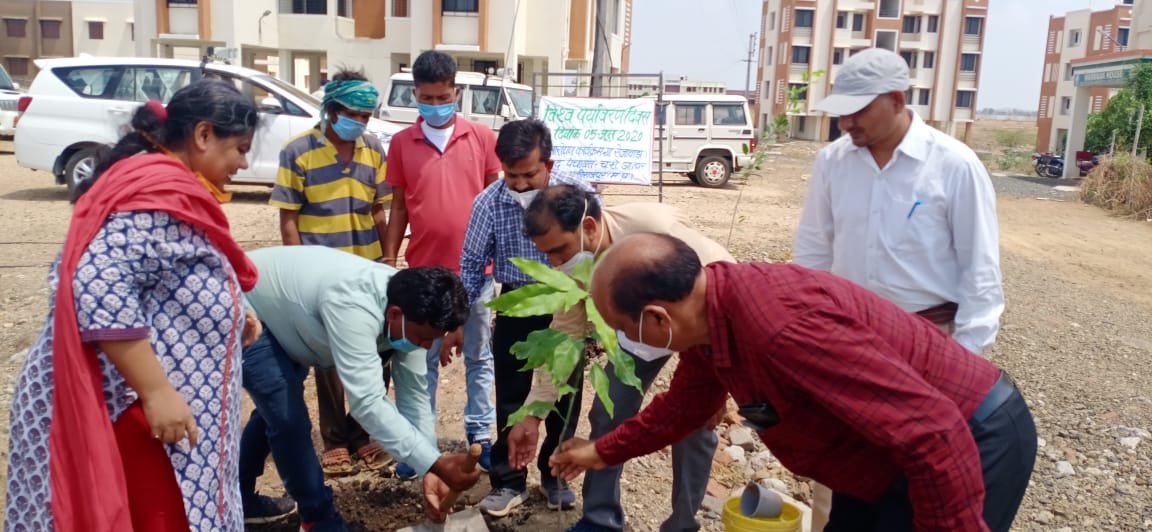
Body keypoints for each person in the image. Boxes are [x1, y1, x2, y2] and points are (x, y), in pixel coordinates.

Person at [551, 233, 1038, 532]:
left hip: (969, 439)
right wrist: (601, 451)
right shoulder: (710, 319)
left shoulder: (780, 330)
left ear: (659, 318)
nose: (619, 338)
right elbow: (685, 407)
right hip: (881, 456)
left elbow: (934, 433)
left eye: (620, 327)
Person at [4, 80, 262, 531]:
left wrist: (235, 311)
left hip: (149, 415)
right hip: (128, 414)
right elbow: (96, 284)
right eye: (239, 148)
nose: (243, 163)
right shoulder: (154, 195)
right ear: (203, 136)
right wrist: (157, 392)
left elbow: (168, 270)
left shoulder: (165, 189)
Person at [794, 47, 1006, 530]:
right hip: (849, 344)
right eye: (840, 112)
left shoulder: (954, 165)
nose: (846, 123)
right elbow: (812, 255)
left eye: (857, 110)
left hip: (929, 347)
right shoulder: (833, 163)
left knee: (922, 469)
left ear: (896, 98)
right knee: (846, 467)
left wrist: (965, 359)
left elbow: (981, 272)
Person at [506, 185, 731, 532]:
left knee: (695, 422)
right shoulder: (571, 265)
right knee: (608, 412)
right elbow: (566, 334)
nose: (555, 262)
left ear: (590, 228)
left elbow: (720, 284)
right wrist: (534, 413)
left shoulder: (653, 226)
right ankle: (600, 518)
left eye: (559, 250)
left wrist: (722, 377)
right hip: (637, 332)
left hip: (696, 322)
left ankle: (682, 524)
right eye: (546, 255)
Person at [237, 245, 482, 529]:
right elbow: (366, 402)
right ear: (393, 314)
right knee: (287, 416)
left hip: (290, 319)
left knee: (276, 410)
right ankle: (318, 518)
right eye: (424, 338)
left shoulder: (414, 313)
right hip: (250, 307)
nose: (427, 346)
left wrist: (429, 467)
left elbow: (414, 395)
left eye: (434, 340)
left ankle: (239, 495)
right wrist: (435, 462)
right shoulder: (352, 305)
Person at [460, 120, 590, 516]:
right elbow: (471, 262)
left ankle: (555, 474)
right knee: (513, 394)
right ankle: (508, 480)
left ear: (548, 164)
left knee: (563, 394)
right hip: (517, 304)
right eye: (510, 174)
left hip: (566, 300)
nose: (518, 184)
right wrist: (457, 319)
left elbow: (599, 247)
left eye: (529, 174)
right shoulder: (489, 202)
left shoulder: (577, 197)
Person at [381, 50, 502, 477]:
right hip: (423, 276)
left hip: (477, 275)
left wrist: (496, 260)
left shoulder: (483, 139)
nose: (435, 104)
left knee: (478, 355)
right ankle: (419, 446)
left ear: (456, 91)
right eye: (427, 97)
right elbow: (398, 206)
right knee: (419, 361)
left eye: (443, 96)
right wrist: (390, 259)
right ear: (415, 94)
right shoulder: (401, 143)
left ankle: (480, 436)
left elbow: (496, 203)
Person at [269, 67, 393, 478]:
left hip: (367, 265)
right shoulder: (298, 151)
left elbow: (379, 208)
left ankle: (364, 433)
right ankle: (335, 440)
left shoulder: (373, 150)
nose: (359, 122)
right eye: (352, 114)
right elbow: (289, 219)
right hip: (321, 276)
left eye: (366, 116)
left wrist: (388, 260)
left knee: (374, 353)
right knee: (328, 359)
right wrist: (297, 269)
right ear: (331, 109)